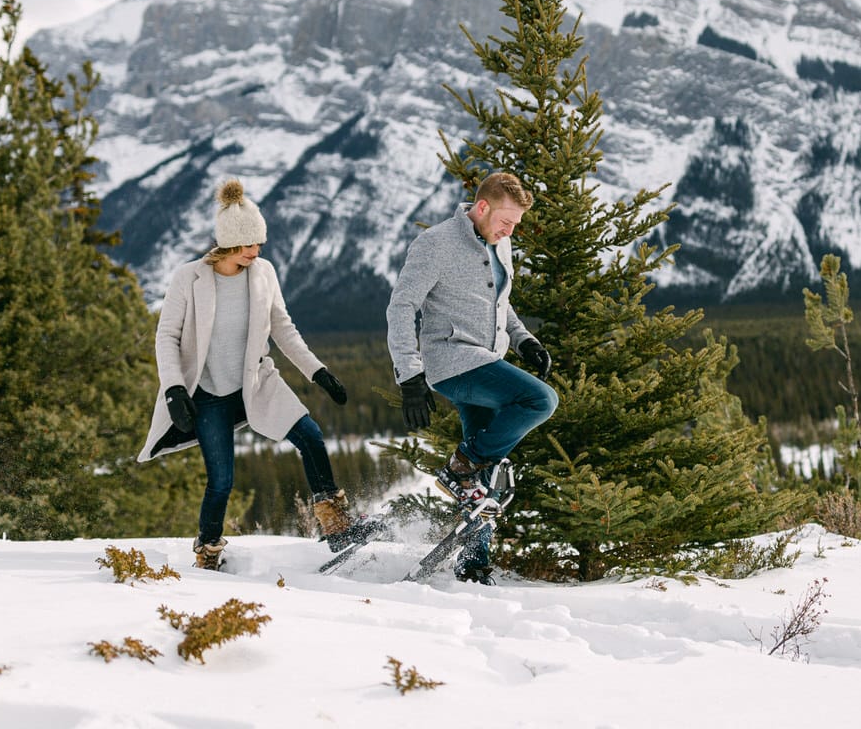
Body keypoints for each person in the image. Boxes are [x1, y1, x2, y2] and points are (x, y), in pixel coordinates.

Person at [140, 179, 356, 571]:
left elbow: (283, 328)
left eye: (259, 244)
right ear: (229, 245)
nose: (258, 251)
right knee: (221, 481)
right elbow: (166, 336)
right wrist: (174, 388)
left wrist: (317, 372)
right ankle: (208, 550)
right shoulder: (188, 279)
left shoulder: (263, 273)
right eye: (250, 245)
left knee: (310, 435)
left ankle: (338, 525)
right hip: (206, 394)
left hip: (255, 382)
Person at [386, 171, 557, 584]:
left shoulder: (501, 242)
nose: (511, 229)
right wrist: (409, 376)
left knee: (487, 475)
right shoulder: (436, 244)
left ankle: (473, 564)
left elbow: (500, 303)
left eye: (515, 224)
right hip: (453, 361)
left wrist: (524, 341)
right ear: (482, 207)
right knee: (540, 401)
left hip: (486, 358)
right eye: (506, 220)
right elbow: (401, 307)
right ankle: (460, 465)